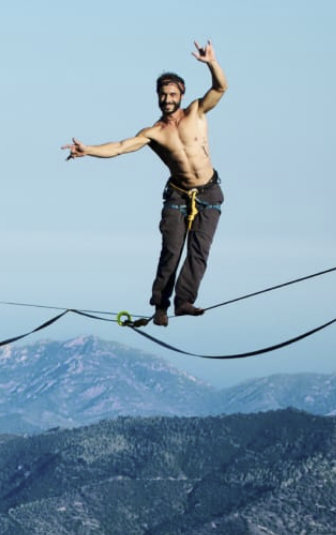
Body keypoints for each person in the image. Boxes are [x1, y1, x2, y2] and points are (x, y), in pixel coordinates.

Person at [62, 41, 226, 327]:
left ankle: (184, 301)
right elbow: (120, 147)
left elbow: (220, 88)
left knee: (199, 251)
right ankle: (160, 305)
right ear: (158, 97)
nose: (167, 100)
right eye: (163, 95)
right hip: (177, 194)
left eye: (172, 94)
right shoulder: (154, 132)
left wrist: (211, 62)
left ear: (182, 94)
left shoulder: (197, 112)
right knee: (171, 251)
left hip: (209, 191)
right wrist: (87, 150)